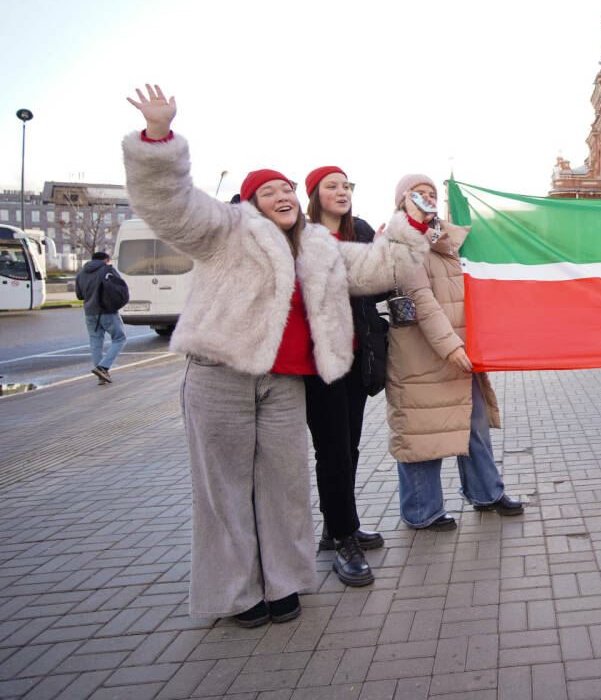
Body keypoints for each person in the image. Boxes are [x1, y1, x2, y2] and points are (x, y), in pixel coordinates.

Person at [122, 84, 427, 627]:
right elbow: (169, 205)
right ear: (250, 203)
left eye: (288, 188)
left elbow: (382, 270)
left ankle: (286, 580)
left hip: (286, 383)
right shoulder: (224, 231)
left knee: (285, 487)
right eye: (270, 191)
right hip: (222, 378)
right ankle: (237, 593)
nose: (284, 194)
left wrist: (413, 224)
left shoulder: (318, 247)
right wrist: (159, 137)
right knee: (226, 491)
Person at [386, 174, 523, 530]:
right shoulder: (401, 242)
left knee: (475, 425)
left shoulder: (447, 242)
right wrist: (450, 348)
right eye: (419, 194)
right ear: (402, 201)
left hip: (461, 350)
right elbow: (422, 301)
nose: (427, 199)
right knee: (423, 431)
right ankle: (421, 510)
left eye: (432, 194)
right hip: (423, 355)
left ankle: (487, 493)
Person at [302, 165, 390, 587]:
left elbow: (380, 284)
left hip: (358, 356)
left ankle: (340, 525)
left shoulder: (362, 231)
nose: (341, 192)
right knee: (332, 449)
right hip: (320, 361)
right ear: (315, 195)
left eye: (345, 186)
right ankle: (342, 539)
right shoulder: (299, 236)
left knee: (350, 446)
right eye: (331, 187)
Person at [75, 251, 129, 384]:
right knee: (119, 338)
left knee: (96, 342)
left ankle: (101, 377)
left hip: (89, 312)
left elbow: (79, 295)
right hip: (106, 310)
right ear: (105, 260)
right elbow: (118, 288)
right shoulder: (106, 270)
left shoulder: (81, 273)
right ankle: (103, 367)